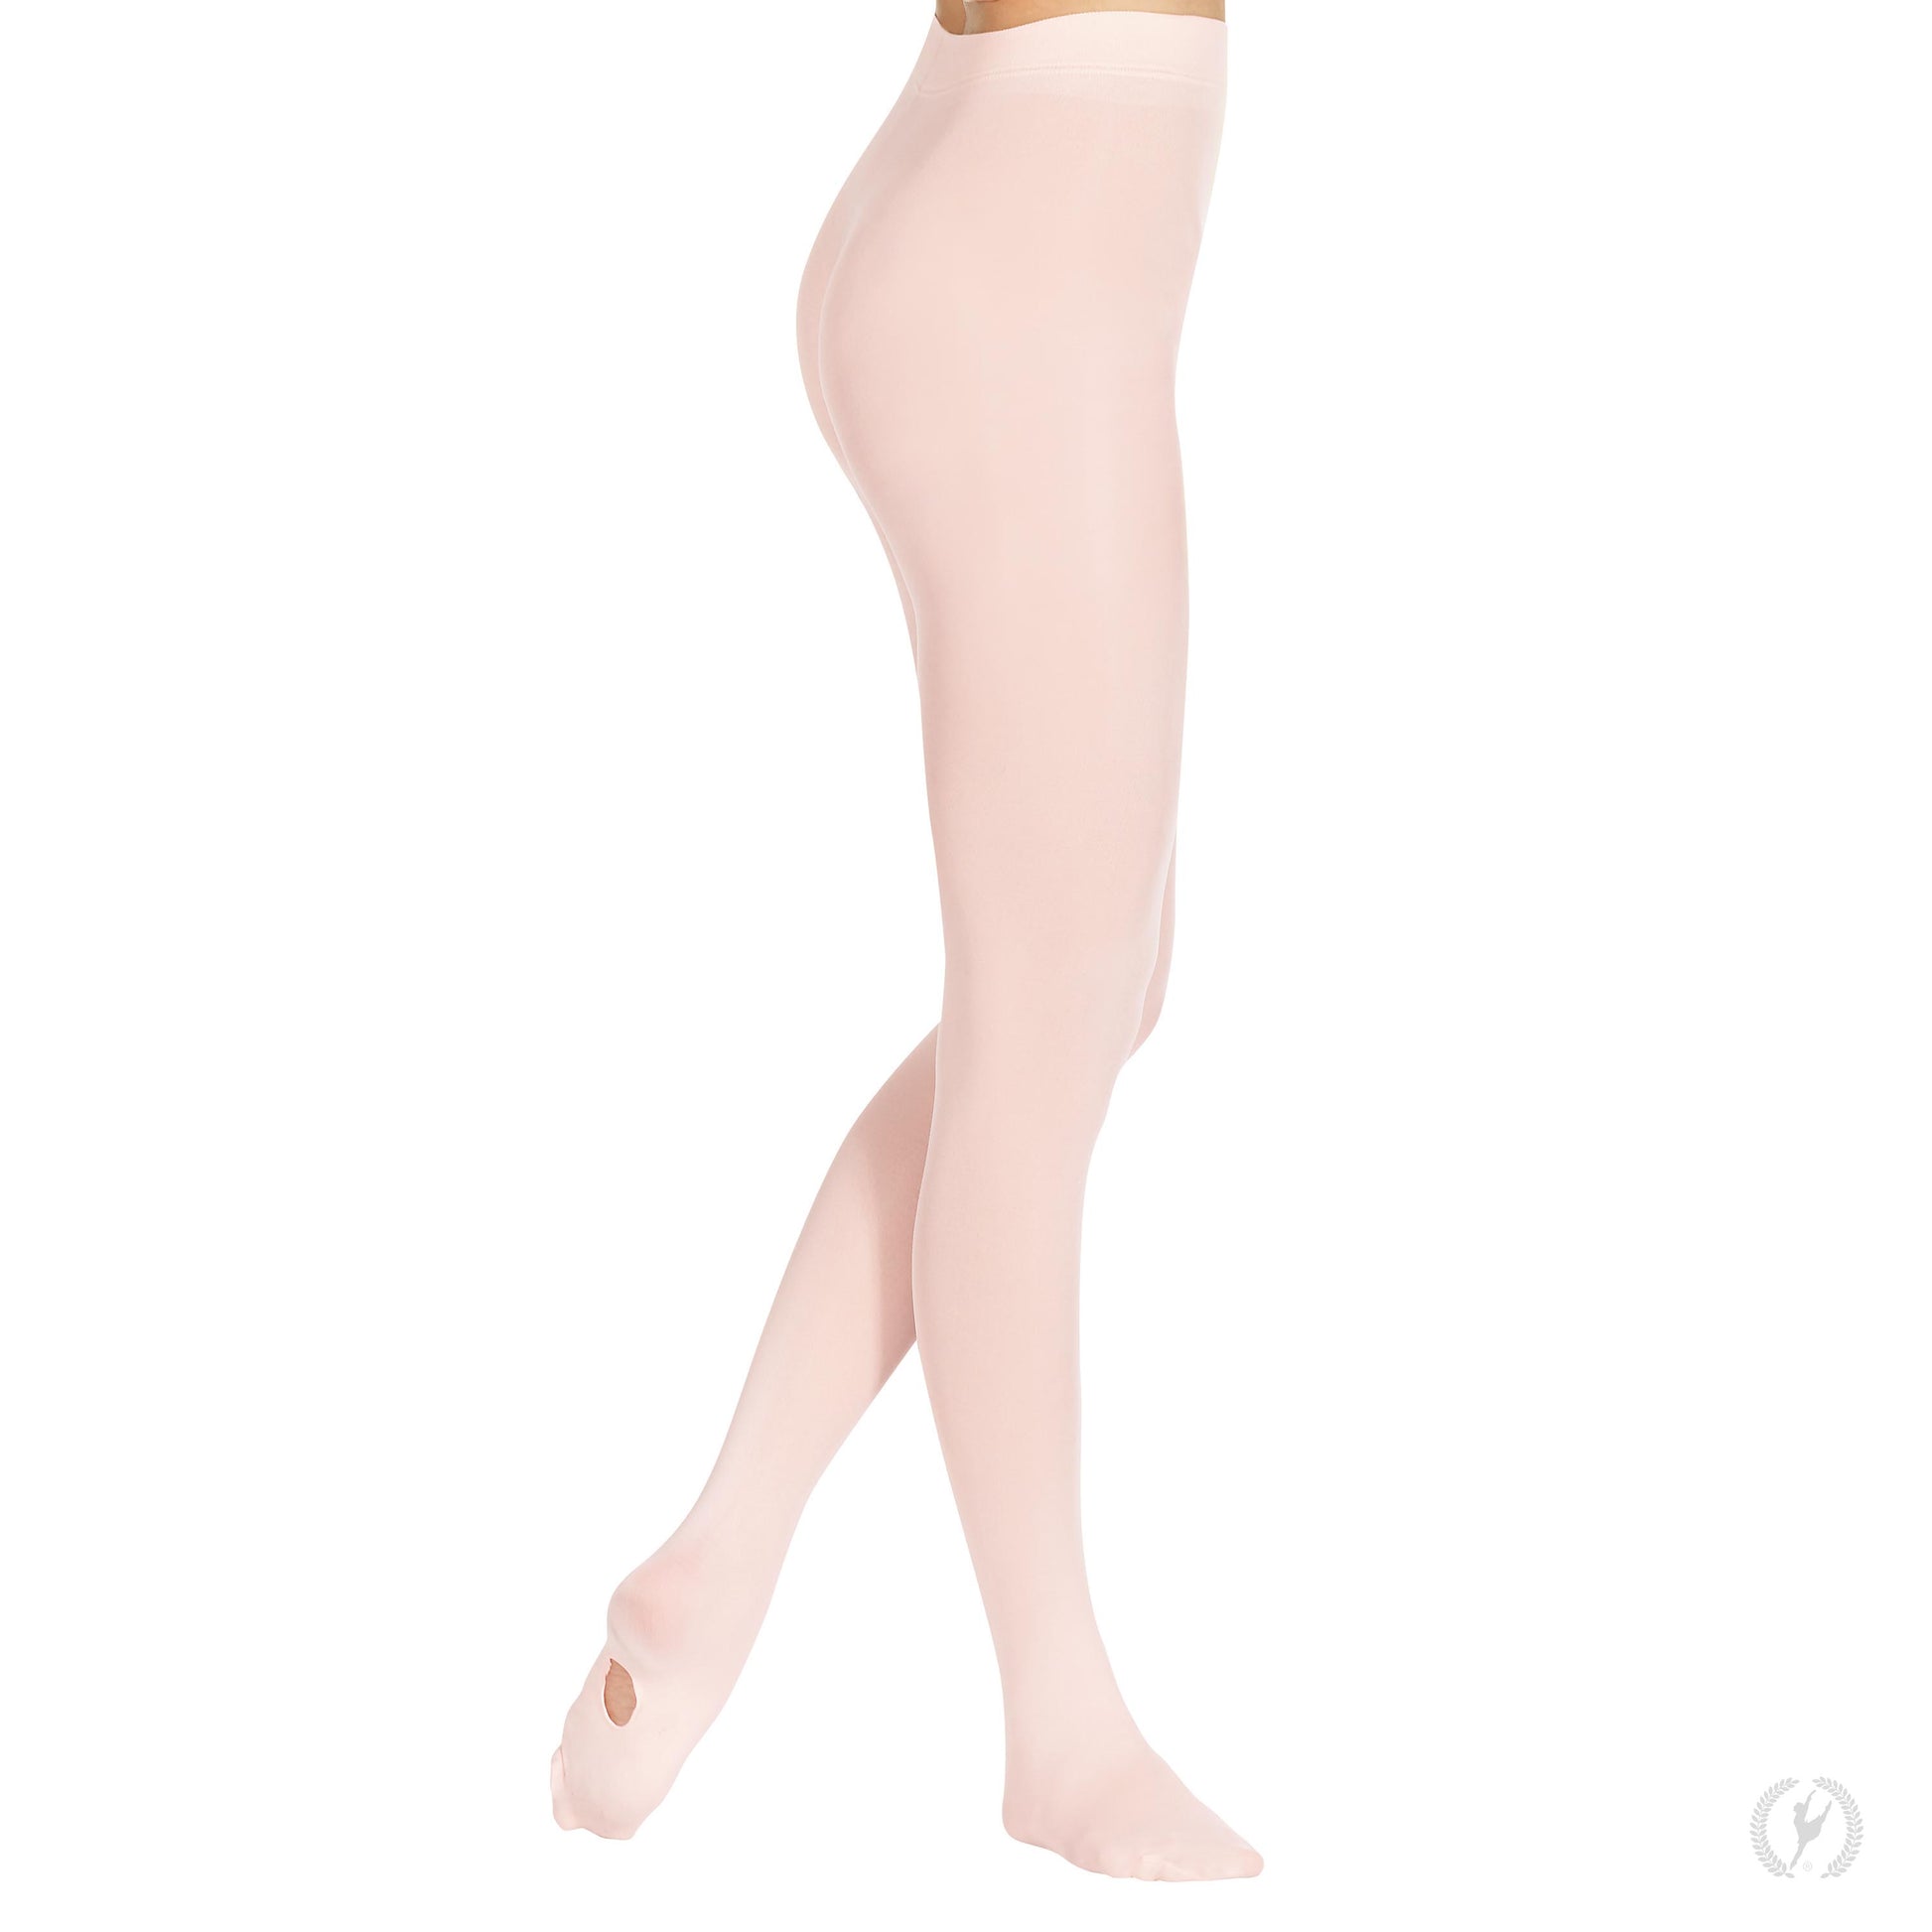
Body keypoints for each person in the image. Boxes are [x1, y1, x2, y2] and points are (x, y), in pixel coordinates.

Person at [551, 0, 1257, 1880]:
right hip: (1039, 247)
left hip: (1015, 189)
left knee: (1094, 994)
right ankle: (1062, 1729)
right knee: (1042, 1031)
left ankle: (705, 1579)